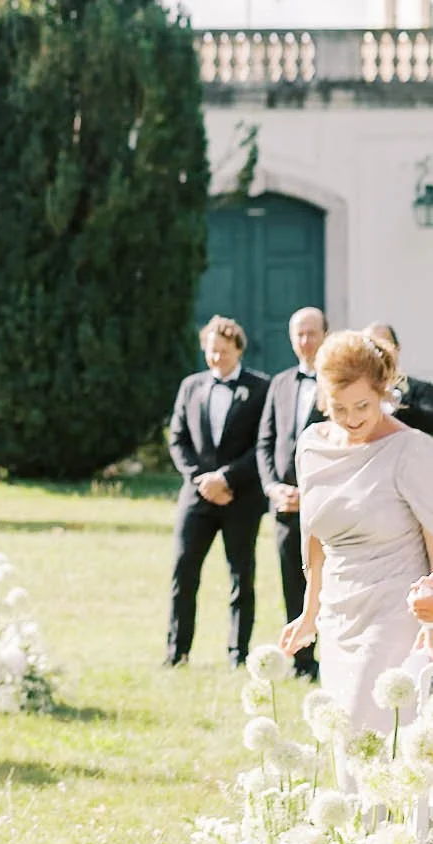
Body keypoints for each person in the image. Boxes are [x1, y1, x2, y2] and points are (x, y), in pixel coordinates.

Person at [280, 329, 433, 736]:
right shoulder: (312, 446)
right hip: (337, 614)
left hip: (395, 613)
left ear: (382, 390)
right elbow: (313, 536)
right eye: (338, 408)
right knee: (340, 740)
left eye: (363, 405)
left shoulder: (411, 449)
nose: (352, 419)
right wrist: (310, 613)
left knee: (369, 732)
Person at [165, 316, 269, 668]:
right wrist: (201, 480)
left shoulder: (260, 388)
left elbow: (262, 445)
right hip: (197, 498)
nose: (216, 358)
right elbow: (178, 439)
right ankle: (176, 653)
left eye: (223, 352)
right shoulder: (191, 387)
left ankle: (238, 654)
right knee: (184, 571)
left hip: (241, 498)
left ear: (237, 349)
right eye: (211, 352)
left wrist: (226, 478)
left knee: (242, 575)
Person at [256, 305, 327, 677]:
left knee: (328, 583)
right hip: (284, 505)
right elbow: (264, 442)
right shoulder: (279, 383)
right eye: (299, 334)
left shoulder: (338, 384)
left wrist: (310, 493)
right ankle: (302, 661)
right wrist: (272, 487)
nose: (304, 341)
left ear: (325, 336)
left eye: (311, 333)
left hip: (323, 504)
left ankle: (332, 657)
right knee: (291, 580)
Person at [364, 322, 433, 439]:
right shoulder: (357, 393)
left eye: (385, 345)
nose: (379, 354)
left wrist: (395, 404)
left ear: (397, 347)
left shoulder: (421, 389)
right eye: (373, 347)